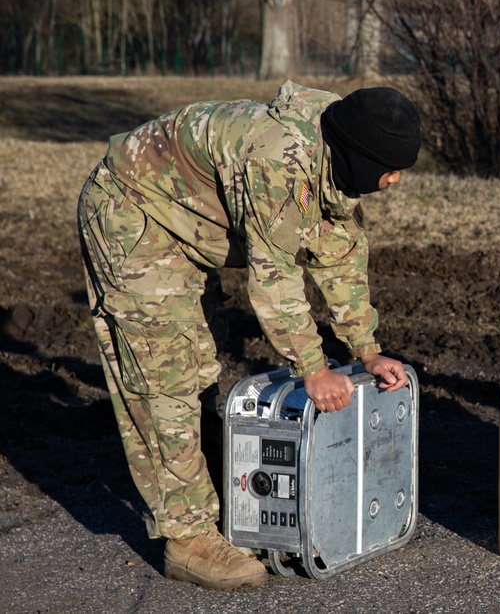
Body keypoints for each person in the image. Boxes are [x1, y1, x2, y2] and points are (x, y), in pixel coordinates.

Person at [78, 81, 422, 590]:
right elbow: (275, 279)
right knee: (164, 373)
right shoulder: (278, 162)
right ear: (360, 155)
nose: (393, 181)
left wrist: (365, 350)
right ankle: (188, 537)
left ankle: (213, 493)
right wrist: (313, 368)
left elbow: (341, 253)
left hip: (188, 224)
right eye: (389, 169)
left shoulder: (337, 151)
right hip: (134, 212)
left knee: (200, 361)